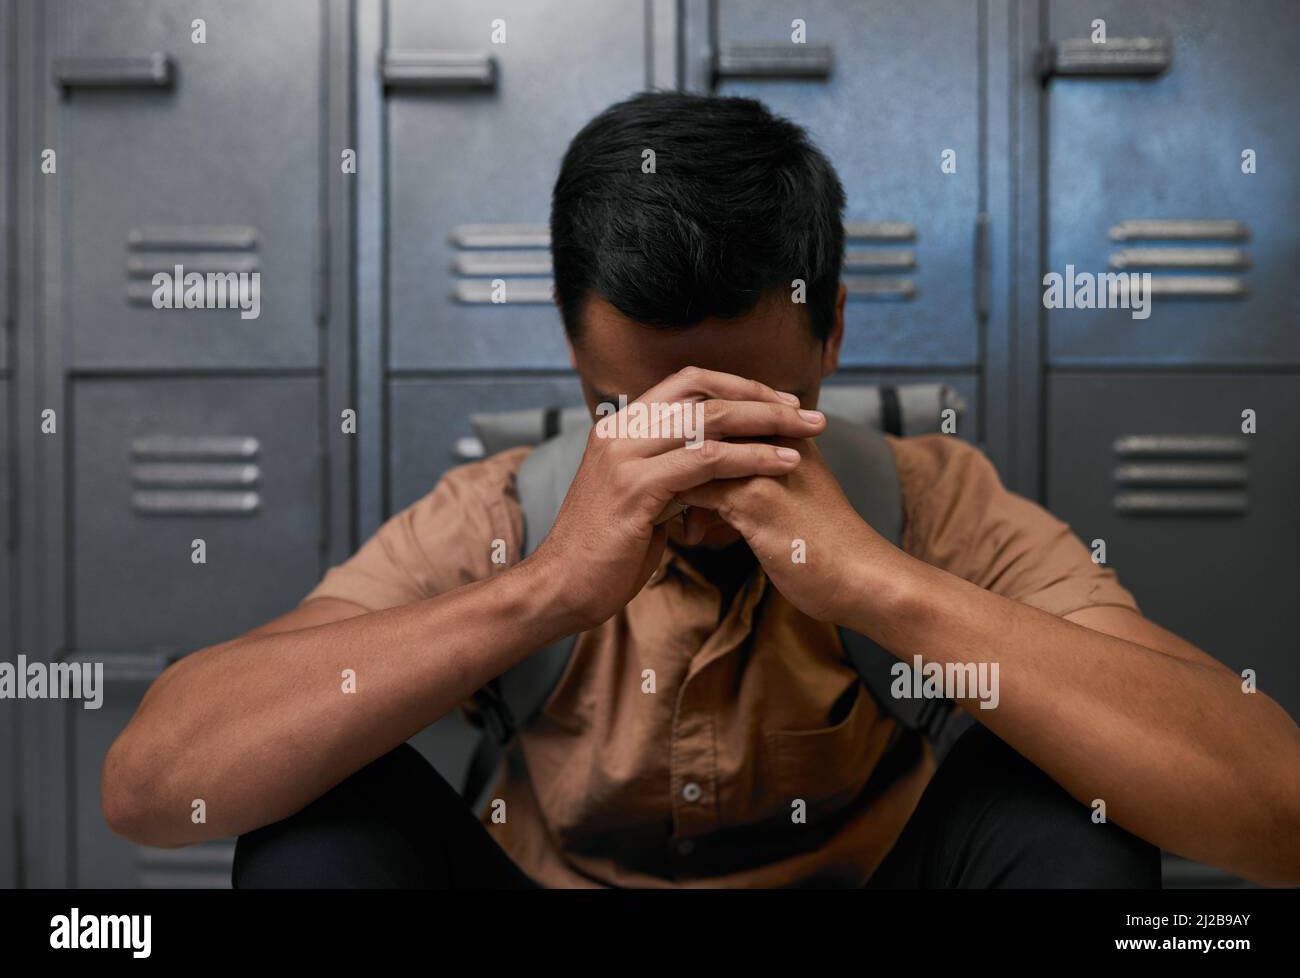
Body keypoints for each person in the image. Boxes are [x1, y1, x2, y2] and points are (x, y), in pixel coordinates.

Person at [103, 92, 1300, 889]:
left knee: (1061, 799)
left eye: (744, 412)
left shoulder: (935, 502)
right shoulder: (501, 517)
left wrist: (878, 583)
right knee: (322, 825)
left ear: (832, 334)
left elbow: (1275, 811)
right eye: (643, 413)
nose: (696, 465)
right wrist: (545, 594)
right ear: (576, 362)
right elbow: (153, 786)